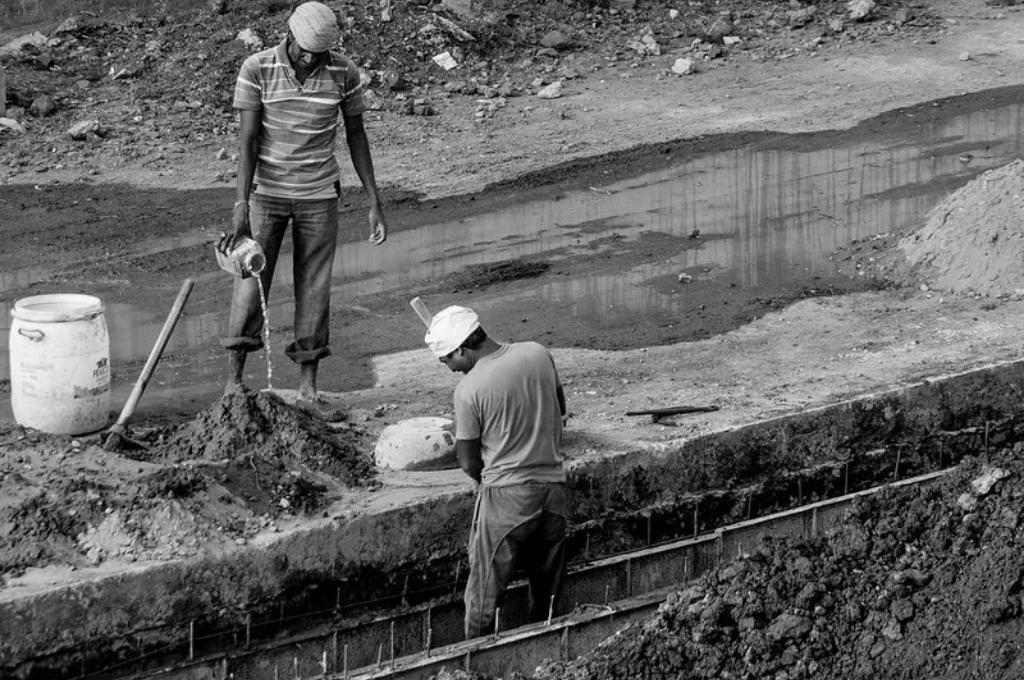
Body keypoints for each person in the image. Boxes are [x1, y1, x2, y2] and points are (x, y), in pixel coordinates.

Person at [217, 0, 387, 414]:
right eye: (305, 50)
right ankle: (234, 384)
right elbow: (248, 141)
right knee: (248, 285)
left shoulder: (343, 72)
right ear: (289, 36)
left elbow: (356, 134)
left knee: (314, 288)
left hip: (319, 196)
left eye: (320, 53)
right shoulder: (256, 68)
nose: (312, 59)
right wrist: (241, 205)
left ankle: (308, 389)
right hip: (267, 195)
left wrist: (373, 199)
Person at [425, 305, 569, 638]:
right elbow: (560, 409)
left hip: (507, 499)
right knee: (548, 589)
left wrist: (482, 479)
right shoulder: (537, 353)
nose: (448, 369)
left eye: (447, 360)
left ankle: (472, 658)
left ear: (461, 348)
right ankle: (545, 647)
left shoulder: (468, 390)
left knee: (484, 593)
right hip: (555, 491)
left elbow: (468, 461)